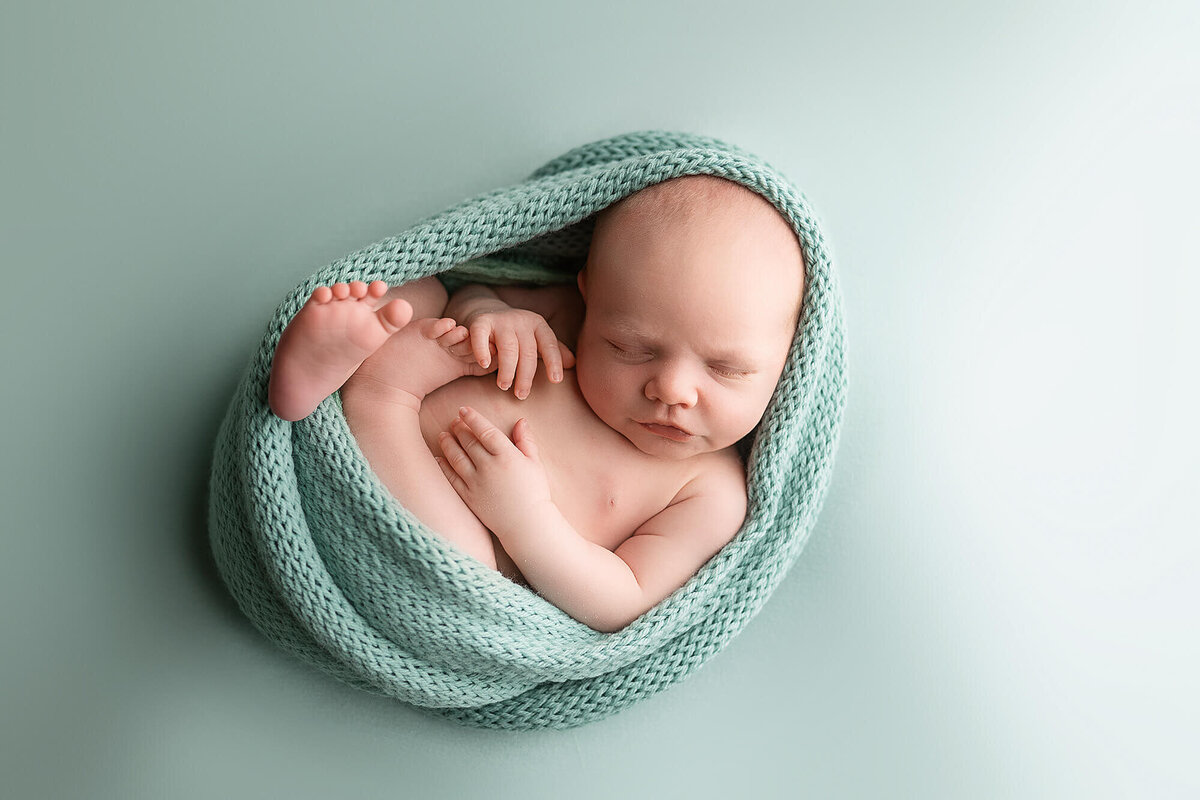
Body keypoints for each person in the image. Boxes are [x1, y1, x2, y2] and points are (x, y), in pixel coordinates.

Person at [266, 175, 805, 633]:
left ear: (788, 358)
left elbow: (625, 598)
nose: (673, 390)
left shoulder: (710, 491)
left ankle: (374, 393)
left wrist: (525, 519)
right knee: (424, 289)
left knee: (466, 572)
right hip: (403, 390)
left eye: (725, 369)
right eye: (629, 347)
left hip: (435, 515)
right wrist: (488, 312)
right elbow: (472, 285)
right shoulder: (567, 314)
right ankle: (319, 371)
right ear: (592, 296)